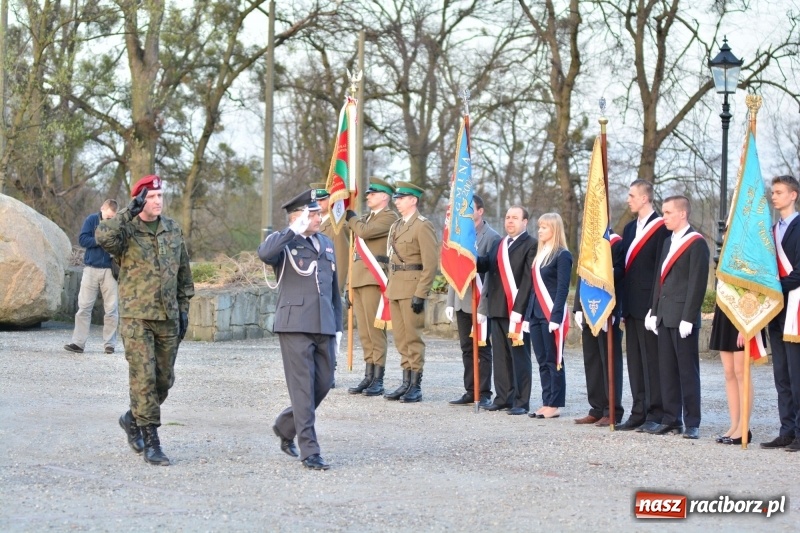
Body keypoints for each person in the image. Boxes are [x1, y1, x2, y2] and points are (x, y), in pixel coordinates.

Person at [96, 175, 194, 466]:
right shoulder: (126, 231)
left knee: (164, 380)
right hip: (137, 317)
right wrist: (128, 210)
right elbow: (102, 236)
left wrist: (184, 307)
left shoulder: (173, 229)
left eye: (160, 196)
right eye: (151, 197)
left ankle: (131, 418)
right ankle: (151, 440)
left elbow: (184, 274)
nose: (158, 201)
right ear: (140, 199)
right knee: (144, 379)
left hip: (168, 317)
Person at [258, 189, 342, 470]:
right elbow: (265, 254)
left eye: (318, 212)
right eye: (313, 213)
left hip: (324, 324)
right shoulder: (283, 243)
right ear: (299, 217)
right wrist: (293, 230)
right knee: (303, 390)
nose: (319, 217)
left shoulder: (326, 244)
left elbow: (334, 290)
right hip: (295, 325)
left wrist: (338, 328)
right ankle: (310, 451)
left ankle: (285, 425)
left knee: (324, 382)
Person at [644, 195, 709, 439]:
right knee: (667, 371)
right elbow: (658, 281)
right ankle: (672, 419)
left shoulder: (696, 243)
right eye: (663, 212)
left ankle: (692, 421)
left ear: (682, 214)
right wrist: (653, 310)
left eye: (668, 213)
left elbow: (697, 283)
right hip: (664, 315)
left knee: (687, 372)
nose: (664, 217)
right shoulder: (667, 242)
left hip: (683, 318)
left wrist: (689, 317)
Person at [618, 179, 671, 432]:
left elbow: (661, 270)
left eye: (631, 195)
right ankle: (638, 411)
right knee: (635, 363)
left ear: (645, 198)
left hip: (650, 306)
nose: (628, 199)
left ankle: (656, 412)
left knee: (652, 362)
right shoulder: (629, 229)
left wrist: (655, 307)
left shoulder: (662, 227)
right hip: (630, 304)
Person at [476, 206, 537, 415]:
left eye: (515, 218)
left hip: (516, 311)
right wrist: (469, 257)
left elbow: (528, 281)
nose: (510, 221)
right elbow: (486, 265)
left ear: (525, 222)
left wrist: (519, 311)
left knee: (519, 357)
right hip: (496, 308)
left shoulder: (531, 245)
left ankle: (521, 401)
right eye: (507, 217)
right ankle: (503, 398)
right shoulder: (499, 244)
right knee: (500, 357)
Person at [383, 181, 438, 403]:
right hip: (396, 287)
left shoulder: (422, 226)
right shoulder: (397, 225)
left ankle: (415, 385)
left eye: (401, 198)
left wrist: (421, 293)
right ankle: (405, 382)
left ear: (413, 200)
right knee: (400, 338)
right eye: (396, 198)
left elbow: (431, 263)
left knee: (413, 338)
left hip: (412, 288)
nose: (396, 201)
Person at [343, 177, 399, 396]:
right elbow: (354, 254)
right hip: (358, 279)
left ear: (384, 197)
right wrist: (349, 284)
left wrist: (352, 219)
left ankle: (378, 378)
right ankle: (368, 375)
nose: (368, 197)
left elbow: (365, 232)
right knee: (364, 332)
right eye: (368, 193)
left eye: (373, 194)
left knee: (375, 332)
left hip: (374, 278)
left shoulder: (389, 217)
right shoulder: (365, 218)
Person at [446, 194, 501, 408]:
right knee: (467, 348)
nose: (467, 215)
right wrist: (450, 301)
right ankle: (470, 389)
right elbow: (454, 269)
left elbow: (491, 276)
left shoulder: (492, 237)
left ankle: (484, 391)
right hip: (461, 300)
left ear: (480, 211)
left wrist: (484, 306)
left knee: (483, 348)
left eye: (472, 210)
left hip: (479, 302)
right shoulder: (459, 235)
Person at [762, 174, 800, 451]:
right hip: (776, 311)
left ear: (793, 195)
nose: (773, 197)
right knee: (782, 375)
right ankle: (786, 430)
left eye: (778, 192)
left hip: (795, 310)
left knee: (797, 375)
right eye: (772, 192)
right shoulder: (771, 231)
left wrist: (773, 289)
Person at [573, 229, 624, 426]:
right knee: (592, 360)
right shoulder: (588, 242)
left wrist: (613, 311)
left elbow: (621, 274)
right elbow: (582, 274)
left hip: (607, 310)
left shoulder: (616, 243)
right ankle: (596, 407)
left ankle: (612, 410)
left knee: (609, 360)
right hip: (588, 308)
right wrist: (578, 307)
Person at [526, 213, 572, 419]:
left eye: (544, 227)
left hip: (550, 314)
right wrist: (528, 316)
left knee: (554, 359)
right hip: (536, 314)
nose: (540, 230)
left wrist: (556, 316)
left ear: (554, 229)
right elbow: (533, 289)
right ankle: (546, 401)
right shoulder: (540, 254)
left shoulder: (562, 255)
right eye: (539, 227)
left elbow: (562, 289)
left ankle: (555, 404)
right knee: (542, 360)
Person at [64, 200, 120, 355]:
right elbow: (82, 240)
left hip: (110, 270)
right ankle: (78, 343)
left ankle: (110, 344)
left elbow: (123, 244)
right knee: (84, 308)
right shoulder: (91, 220)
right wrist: (99, 240)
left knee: (111, 309)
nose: (109, 220)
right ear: (102, 209)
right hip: (91, 268)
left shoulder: (118, 225)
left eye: (112, 218)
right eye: (107, 216)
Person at [708, 306, 756, 444]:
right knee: (729, 372)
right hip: (725, 310)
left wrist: (747, 324)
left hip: (744, 314)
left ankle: (743, 427)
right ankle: (735, 425)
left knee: (741, 372)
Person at [312, 182, 350, 290]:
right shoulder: (312, 225)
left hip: (329, 287)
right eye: (316, 200)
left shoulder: (337, 226)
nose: (318, 203)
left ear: (332, 199)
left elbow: (342, 261)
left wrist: (336, 291)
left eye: (322, 199)